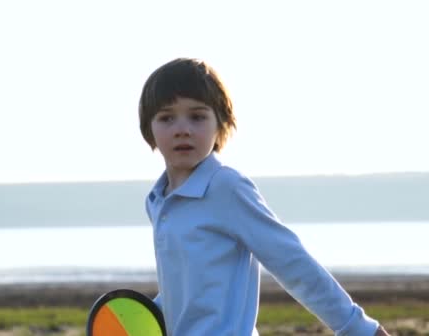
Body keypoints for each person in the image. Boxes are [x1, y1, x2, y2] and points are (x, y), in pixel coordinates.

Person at [138, 57, 390, 335]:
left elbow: (291, 260)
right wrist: (141, 314)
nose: (182, 129)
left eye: (197, 116)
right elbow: (189, 286)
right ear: (149, 128)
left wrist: (357, 327)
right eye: (166, 118)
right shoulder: (159, 200)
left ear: (220, 124)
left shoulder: (225, 187)